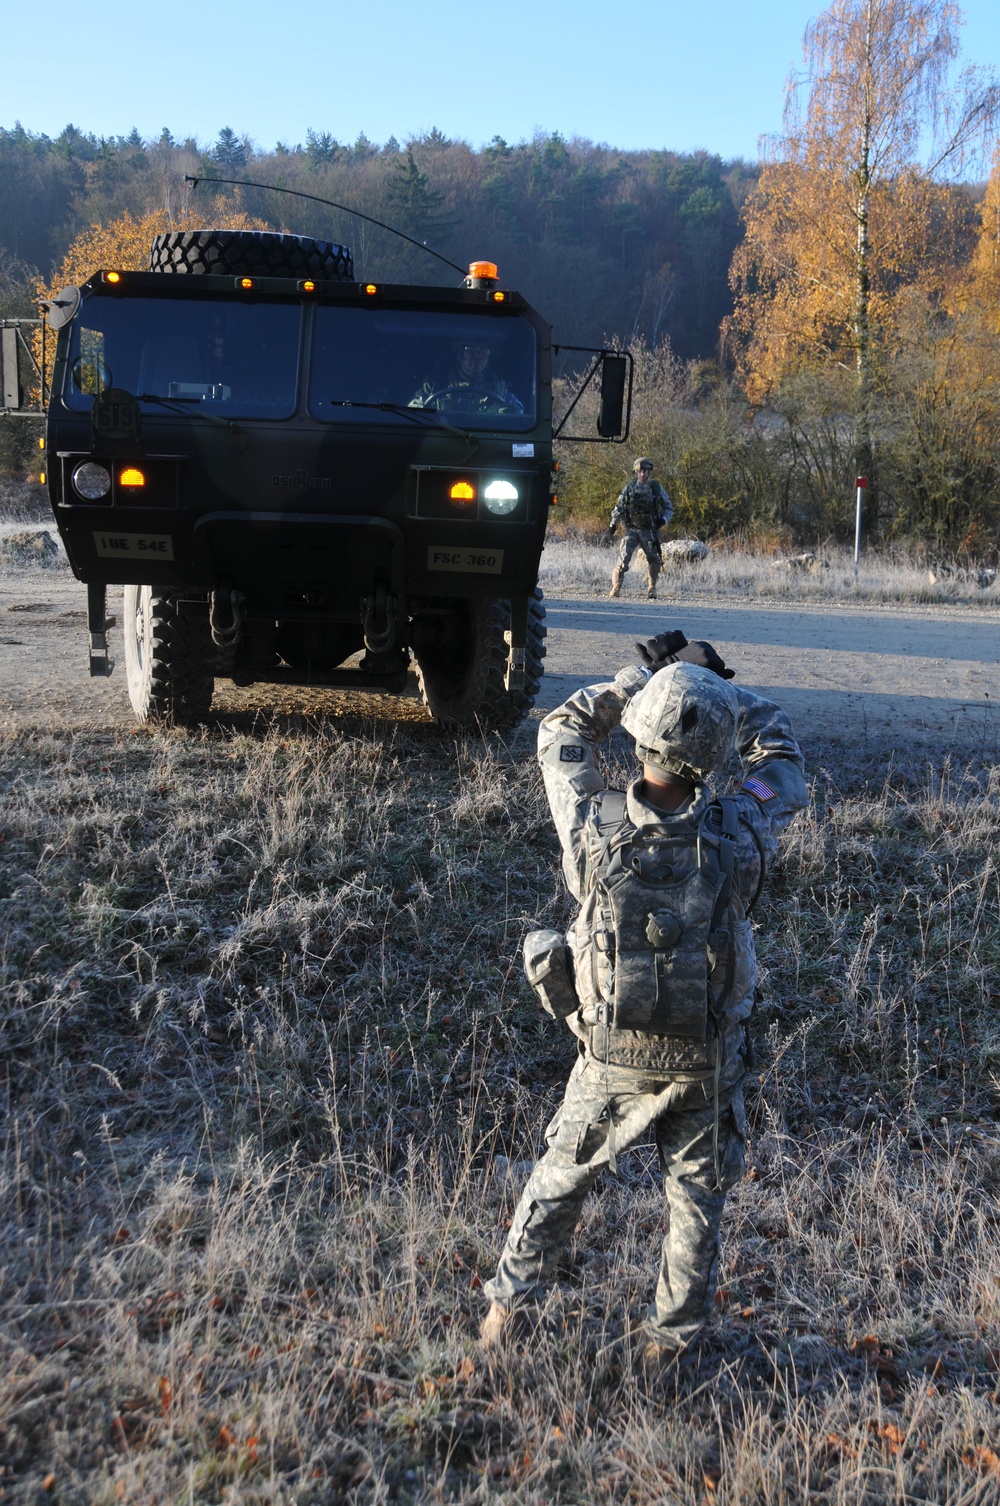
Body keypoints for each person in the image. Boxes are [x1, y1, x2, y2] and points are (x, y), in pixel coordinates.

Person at [479, 629, 808, 1365]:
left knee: (561, 1176)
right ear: (714, 757)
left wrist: (647, 681)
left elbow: (560, 727)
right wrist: (713, 693)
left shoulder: (589, 824)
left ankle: (506, 1312)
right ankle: (671, 1346)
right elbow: (782, 757)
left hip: (611, 1053)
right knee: (695, 1204)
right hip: (705, 1056)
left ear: (637, 741)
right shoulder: (741, 828)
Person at [606, 458, 673, 600]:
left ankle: (652, 587)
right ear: (636, 472)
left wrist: (663, 519)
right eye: (640, 471)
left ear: (649, 472)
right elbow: (619, 507)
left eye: (645, 471)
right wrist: (613, 524)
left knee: (654, 559)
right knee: (623, 559)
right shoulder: (630, 487)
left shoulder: (655, 488)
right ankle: (615, 587)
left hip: (649, 530)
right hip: (632, 529)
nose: (642, 474)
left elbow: (669, 507)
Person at [409, 340, 524, 415]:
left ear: (489, 357)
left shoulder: (499, 389)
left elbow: (519, 415)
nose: (477, 357)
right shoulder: (437, 384)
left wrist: (508, 414)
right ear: (460, 355)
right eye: (470, 351)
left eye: (483, 352)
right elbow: (413, 411)